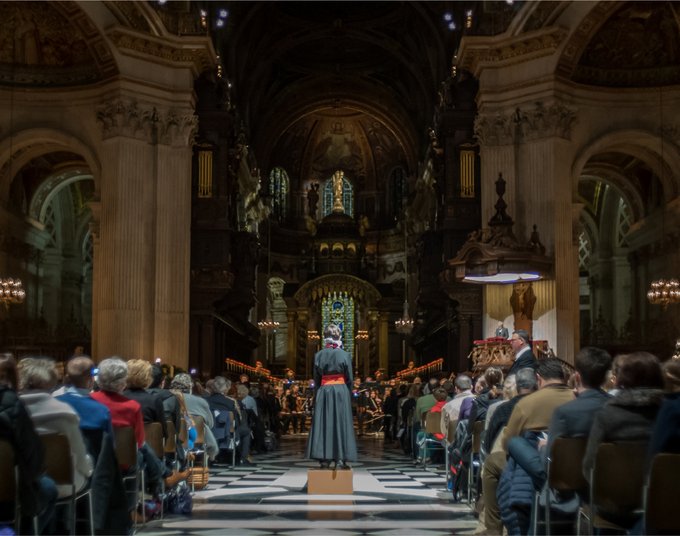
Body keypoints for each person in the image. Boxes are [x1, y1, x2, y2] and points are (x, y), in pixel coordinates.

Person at [305, 323, 357, 469]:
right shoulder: (345, 354)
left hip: (324, 390)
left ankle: (324, 459)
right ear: (338, 336)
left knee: (324, 423)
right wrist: (347, 393)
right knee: (341, 423)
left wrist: (317, 394)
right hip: (341, 390)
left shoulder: (318, 355)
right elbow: (350, 379)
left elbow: (316, 379)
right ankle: (341, 459)